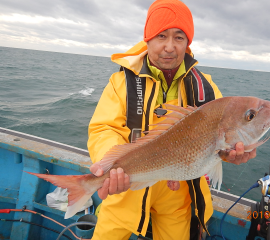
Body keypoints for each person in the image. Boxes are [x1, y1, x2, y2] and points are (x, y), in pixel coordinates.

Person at [88, 0, 256, 239]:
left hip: (179, 194)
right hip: (127, 188)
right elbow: (104, 128)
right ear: (148, 39)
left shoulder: (207, 89)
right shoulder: (121, 82)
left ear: (188, 43)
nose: (169, 47)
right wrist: (109, 165)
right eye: (161, 36)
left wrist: (232, 154)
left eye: (179, 37)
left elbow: (222, 140)